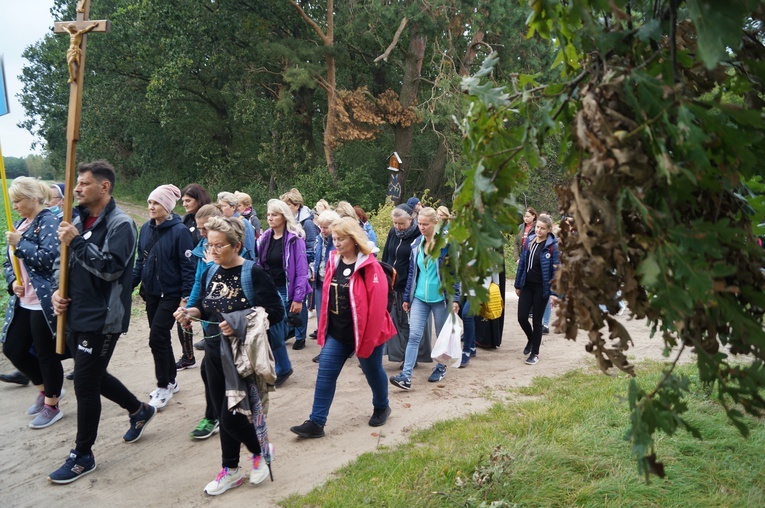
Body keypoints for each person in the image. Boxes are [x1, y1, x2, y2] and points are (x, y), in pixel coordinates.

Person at [48, 161, 155, 484]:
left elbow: (110, 268)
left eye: (83, 184)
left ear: (103, 187)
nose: (76, 189)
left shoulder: (121, 224)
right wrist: (58, 290)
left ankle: (83, 455)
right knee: (91, 374)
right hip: (75, 312)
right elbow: (64, 263)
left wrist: (77, 242)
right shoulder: (77, 219)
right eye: (77, 183)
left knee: (84, 383)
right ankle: (139, 410)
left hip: (103, 318)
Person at [173, 216, 284, 495]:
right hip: (213, 355)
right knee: (225, 415)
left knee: (231, 415)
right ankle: (231, 470)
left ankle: (260, 450)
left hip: (240, 358)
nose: (213, 251)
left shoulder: (253, 272)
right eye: (210, 245)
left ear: (236, 245)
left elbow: (276, 311)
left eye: (219, 246)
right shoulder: (211, 270)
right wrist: (190, 314)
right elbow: (202, 305)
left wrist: (238, 321)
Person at [290, 217, 396, 438]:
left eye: (341, 239)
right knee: (325, 374)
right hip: (338, 334)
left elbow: (377, 311)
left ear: (354, 239)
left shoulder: (370, 267)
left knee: (372, 371)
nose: (336, 243)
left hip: (368, 333)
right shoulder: (333, 261)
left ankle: (382, 406)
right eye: (334, 238)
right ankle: (316, 422)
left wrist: (366, 343)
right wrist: (323, 330)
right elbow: (327, 299)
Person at [2, 177, 64, 429]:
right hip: (23, 300)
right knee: (13, 348)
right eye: (13, 201)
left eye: (18, 201)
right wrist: (11, 283)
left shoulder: (47, 220)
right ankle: (43, 389)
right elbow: (9, 263)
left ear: (34, 199)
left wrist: (20, 243)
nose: (14, 206)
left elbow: (50, 259)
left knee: (46, 355)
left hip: (43, 300)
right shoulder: (21, 223)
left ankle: (52, 404)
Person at [132, 184, 195, 409]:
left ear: (167, 207)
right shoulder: (147, 229)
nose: (151, 207)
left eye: (156, 203)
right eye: (150, 202)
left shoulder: (180, 232)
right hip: (151, 293)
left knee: (156, 337)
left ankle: (163, 386)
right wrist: (129, 285)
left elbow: (188, 267)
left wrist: (185, 297)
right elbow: (141, 260)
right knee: (161, 338)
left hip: (171, 294)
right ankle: (171, 380)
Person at [390, 207, 460, 390]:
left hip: (440, 299)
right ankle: (406, 376)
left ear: (435, 223)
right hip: (420, 298)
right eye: (419, 223)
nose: (421, 227)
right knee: (414, 336)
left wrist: (456, 299)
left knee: (440, 335)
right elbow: (413, 273)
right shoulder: (417, 244)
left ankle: (440, 367)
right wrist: (407, 297)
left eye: (425, 224)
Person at [256, 199, 311, 384]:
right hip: (268, 290)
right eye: (269, 214)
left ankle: (283, 368)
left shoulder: (295, 239)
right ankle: (281, 367)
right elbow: (259, 265)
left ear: (284, 216)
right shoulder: (265, 238)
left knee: (276, 331)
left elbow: (302, 271)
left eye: (274, 214)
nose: (270, 218)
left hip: (285, 289)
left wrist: (298, 297)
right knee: (269, 330)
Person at [184, 204, 224, 439]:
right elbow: (199, 283)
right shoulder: (201, 248)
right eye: (199, 228)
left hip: (230, 319)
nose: (201, 233)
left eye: (205, 228)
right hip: (209, 318)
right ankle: (217, 413)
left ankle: (216, 415)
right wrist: (191, 309)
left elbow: (229, 281)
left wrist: (211, 264)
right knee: (211, 366)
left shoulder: (233, 247)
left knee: (215, 367)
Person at [381, 205, 431, 366]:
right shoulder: (392, 232)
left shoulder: (418, 236)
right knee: (392, 320)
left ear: (411, 219)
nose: (397, 227)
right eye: (395, 223)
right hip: (391, 284)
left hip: (408, 286)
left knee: (406, 322)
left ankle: (410, 356)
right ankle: (400, 354)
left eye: (401, 223)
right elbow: (387, 255)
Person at [514, 214, 559, 365]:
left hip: (541, 288)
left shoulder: (552, 246)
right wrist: (518, 284)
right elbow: (522, 264)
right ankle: (531, 339)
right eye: (538, 227)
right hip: (527, 285)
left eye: (542, 228)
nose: (539, 230)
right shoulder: (530, 240)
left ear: (548, 230)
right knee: (521, 317)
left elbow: (556, 271)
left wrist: (554, 293)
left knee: (537, 321)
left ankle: (535, 353)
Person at [176, 183, 212, 367]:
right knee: (186, 314)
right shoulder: (183, 222)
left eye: (188, 200)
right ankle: (188, 355)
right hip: (192, 278)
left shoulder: (213, 226)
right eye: (182, 201)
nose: (185, 204)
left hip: (212, 286)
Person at [281, 188, 319, 347]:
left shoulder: (307, 223)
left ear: (296, 205)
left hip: (301, 267)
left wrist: (307, 266)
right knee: (287, 301)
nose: (285, 208)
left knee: (300, 300)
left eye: (287, 205)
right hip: (286, 268)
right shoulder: (286, 222)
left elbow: (312, 246)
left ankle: (300, 336)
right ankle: (291, 329)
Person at [309, 210, 340, 348]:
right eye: (321, 227)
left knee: (333, 317)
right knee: (321, 317)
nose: (323, 230)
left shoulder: (338, 241)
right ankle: (324, 347)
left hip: (333, 283)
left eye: (326, 227)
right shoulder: (319, 238)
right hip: (319, 281)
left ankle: (333, 347)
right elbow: (316, 257)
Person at [217, 192, 256, 258]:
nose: (220, 209)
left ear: (233, 207)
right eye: (219, 206)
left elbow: (249, 250)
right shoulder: (222, 222)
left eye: (223, 206)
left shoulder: (243, 223)